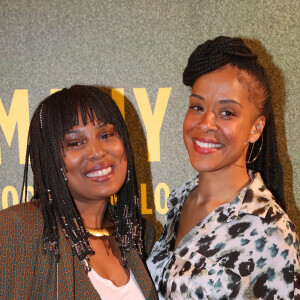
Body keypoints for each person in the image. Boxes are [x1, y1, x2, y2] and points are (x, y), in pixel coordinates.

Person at [147, 37, 300, 299]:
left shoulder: (269, 231)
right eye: (197, 106)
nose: (205, 123)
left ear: (256, 128)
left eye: (227, 112)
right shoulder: (181, 200)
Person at [0, 85, 157, 299]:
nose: (97, 152)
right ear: (50, 159)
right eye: (75, 143)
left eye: (106, 135)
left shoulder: (140, 235)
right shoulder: (19, 228)